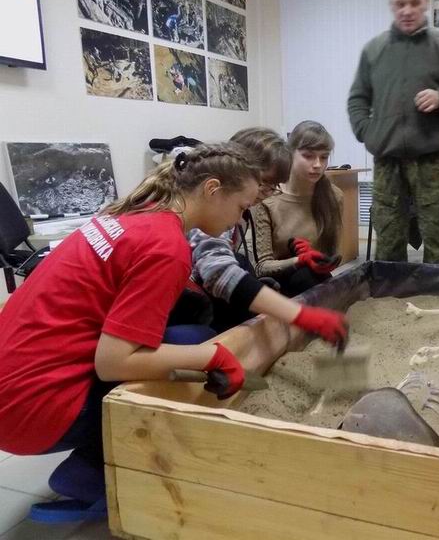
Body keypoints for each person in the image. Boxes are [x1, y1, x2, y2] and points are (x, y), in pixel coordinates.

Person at [0, 144, 304, 521]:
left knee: (189, 314)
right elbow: (112, 363)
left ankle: (88, 463)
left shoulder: (129, 214)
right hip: (25, 411)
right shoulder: (166, 246)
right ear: (212, 189)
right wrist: (213, 356)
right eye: (241, 208)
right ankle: (92, 476)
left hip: (13, 378)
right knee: (191, 341)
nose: (238, 220)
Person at [347, 0, 439, 264]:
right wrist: (368, 133)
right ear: (391, 5)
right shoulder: (374, 50)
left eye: (414, 3)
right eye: (400, 4)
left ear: (425, 2)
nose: (407, 10)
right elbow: (357, 99)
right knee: (388, 239)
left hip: (433, 160)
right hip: (387, 161)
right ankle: (389, 306)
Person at [186, 127, 348, 342]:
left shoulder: (332, 196)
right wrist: (300, 314)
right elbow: (218, 272)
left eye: (273, 187)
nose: (317, 164)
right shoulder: (204, 215)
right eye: (263, 184)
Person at [252, 121, 344, 297]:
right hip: (280, 283)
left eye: (324, 157)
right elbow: (262, 267)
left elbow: (333, 255)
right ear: (290, 154)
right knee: (305, 278)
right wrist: (299, 261)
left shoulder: (334, 196)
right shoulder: (268, 198)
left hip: (316, 278)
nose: (317, 164)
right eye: (308, 156)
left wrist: (322, 260)